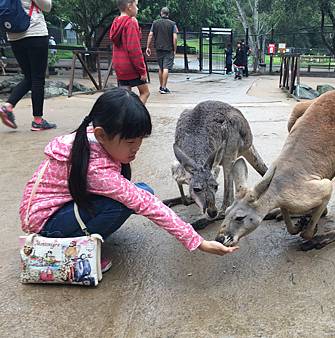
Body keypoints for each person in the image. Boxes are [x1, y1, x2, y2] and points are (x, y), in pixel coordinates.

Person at [19, 88, 238, 273]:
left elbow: (142, 197)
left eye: (140, 141)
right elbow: (146, 205)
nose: (137, 149)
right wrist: (198, 242)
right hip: (47, 226)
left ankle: (81, 229)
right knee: (125, 202)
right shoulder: (97, 170)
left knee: (144, 190)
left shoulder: (89, 139)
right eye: (131, 142)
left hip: (53, 211)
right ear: (102, 134)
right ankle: (81, 252)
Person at [0, 0, 56, 131]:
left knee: (29, 77)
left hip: (14, 36)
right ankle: (38, 120)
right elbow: (47, 7)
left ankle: (7, 106)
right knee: (37, 78)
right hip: (34, 32)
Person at [110, 0, 150, 104]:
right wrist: (142, 71)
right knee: (145, 93)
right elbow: (134, 50)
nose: (138, 8)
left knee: (125, 98)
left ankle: (124, 119)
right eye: (136, 5)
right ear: (129, 6)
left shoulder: (116, 22)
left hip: (119, 67)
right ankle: (136, 117)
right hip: (131, 67)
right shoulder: (131, 22)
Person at [145, 7, 177, 94]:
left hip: (158, 48)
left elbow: (150, 35)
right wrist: (175, 49)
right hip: (169, 48)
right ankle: (163, 87)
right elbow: (175, 37)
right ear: (168, 14)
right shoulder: (172, 24)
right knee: (166, 68)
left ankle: (161, 86)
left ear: (161, 13)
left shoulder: (155, 23)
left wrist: (148, 47)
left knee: (161, 67)